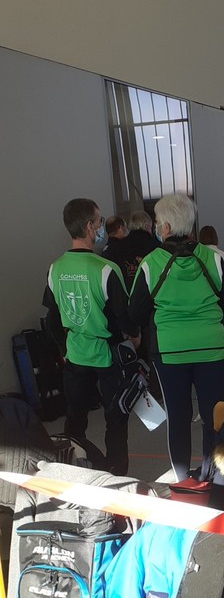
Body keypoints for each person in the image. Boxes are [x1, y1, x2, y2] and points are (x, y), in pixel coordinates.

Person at [126, 192, 224, 482]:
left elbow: (134, 313)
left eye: (156, 221)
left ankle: (182, 481)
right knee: (213, 415)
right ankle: (212, 477)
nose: (156, 226)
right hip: (211, 349)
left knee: (178, 416)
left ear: (165, 227)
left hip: (170, 352)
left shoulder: (151, 263)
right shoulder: (213, 258)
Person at [43, 198, 134, 475]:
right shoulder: (105, 269)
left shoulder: (55, 268)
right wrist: (135, 338)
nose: (101, 226)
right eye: (99, 221)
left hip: (75, 354)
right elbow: (123, 317)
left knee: (75, 417)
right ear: (89, 227)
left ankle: (74, 469)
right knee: (115, 417)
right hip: (107, 355)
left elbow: (52, 317)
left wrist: (64, 347)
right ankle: (116, 473)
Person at [109, 210, 160, 295]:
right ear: (147, 226)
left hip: (127, 293)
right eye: (151, 227)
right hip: (151, 292)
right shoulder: (155, 245)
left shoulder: (118, 247)